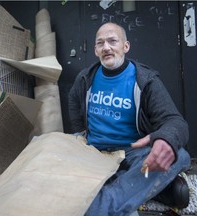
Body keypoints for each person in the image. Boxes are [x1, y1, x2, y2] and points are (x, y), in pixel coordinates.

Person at [68, 22, 191, 216]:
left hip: (132, 153)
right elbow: (73, 100)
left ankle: (98, 208)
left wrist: (166, 139)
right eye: (100, 43)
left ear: (126, 46)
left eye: (112, 41)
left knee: (179, 154)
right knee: (42, 145)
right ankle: (155, 189)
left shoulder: (145, 80)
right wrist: (81, 131)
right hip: (92, 151)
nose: (106, 47)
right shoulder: (86, 78)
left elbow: (174, 121)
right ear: (95, 50)